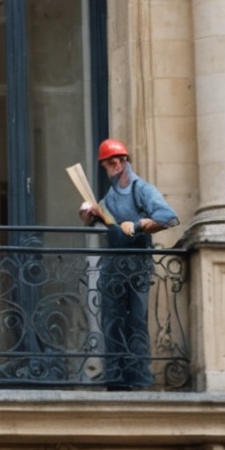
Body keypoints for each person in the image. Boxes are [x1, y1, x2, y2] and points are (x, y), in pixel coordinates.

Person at [77, 138, 179, 389]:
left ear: (124, 162)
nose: (113, 167)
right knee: (111, 321)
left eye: (115, 162)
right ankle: (115, 375)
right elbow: (101, 219)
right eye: (107, 164)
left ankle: (138, 377)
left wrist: (138, 225)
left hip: (136, 264)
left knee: (136, 320)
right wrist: (88, 215)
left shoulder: (142, 189)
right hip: (113, 265)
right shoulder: (110, 197)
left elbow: (168, 217)